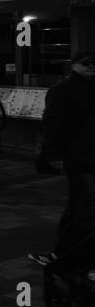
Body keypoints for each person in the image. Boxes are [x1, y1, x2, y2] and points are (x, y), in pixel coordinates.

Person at [34, 50, 95, 277]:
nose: (91, 67)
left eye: (94, 63)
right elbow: (54, 126)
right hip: (80, 158)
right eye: (86, 63)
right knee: (85, 207)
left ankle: (65, 252)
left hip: (84, 157)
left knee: (81, 204)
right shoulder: (63, 90)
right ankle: (67, 256)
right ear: (74, 65)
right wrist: (49, 155)